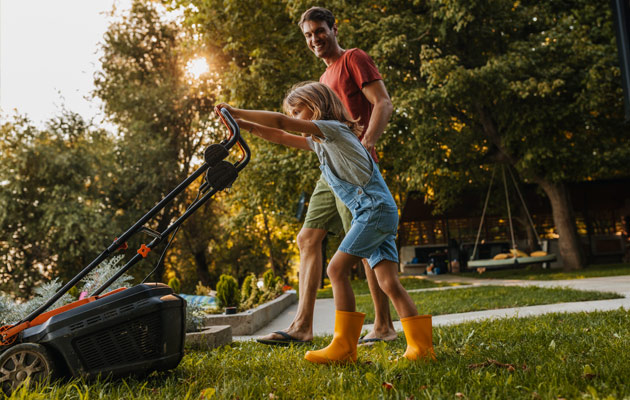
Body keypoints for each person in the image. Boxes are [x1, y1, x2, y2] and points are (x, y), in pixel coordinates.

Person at [216, 81, 436, 364]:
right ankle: (422, 349)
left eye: (298, 110)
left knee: (335, 270)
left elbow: (282, 123)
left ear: (317, 105)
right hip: (376, 211)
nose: (294, 117)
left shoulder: (333, 129)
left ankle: (344, 347)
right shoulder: (320, 143)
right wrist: (242, 124)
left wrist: (235, 110)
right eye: (292, 112)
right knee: (389, 282)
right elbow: (281, 135)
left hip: (373, 211)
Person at [256, 6, 396, 346]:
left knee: (363, 244)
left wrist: (367, 144)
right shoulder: (321, 81)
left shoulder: (353, 59)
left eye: (320, 31)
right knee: (307, 238)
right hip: (329, 172)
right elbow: (304, 133)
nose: (315, 39)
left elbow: (382, 103)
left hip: (355, 173)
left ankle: (383, 325)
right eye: (308, 35)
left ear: (335, 29)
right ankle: (302, 326)